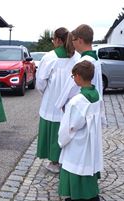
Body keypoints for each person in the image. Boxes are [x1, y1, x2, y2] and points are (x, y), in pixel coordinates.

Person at [58, 60, 104, 201]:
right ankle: (93, 196)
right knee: (89, 164)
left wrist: (62, 139)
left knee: (75, 165)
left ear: (78, 76)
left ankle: (79, 198)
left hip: (79, 140)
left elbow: (72, 125)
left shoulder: (77, 101)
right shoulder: (96, 94)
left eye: (73, 76)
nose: (73, 79)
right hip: (92, 139)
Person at [36, 27, 80, 173]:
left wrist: (46, 94)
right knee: (67, 129)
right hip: (71, 102)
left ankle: (54, 162)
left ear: (58, 40)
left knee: (53, 130)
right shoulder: (77, 57)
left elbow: (41, 82)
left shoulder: (49, 57)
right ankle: (66, 161)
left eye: (53, 39)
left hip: (52, 102)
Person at [55, 24, 104, 112]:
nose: (72, 43)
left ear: (80, 40)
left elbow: (70, 88)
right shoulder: (96, 59)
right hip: (93, 105)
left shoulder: (83, 62)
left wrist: (61, 103)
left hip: (81, 109)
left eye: (73, 40)